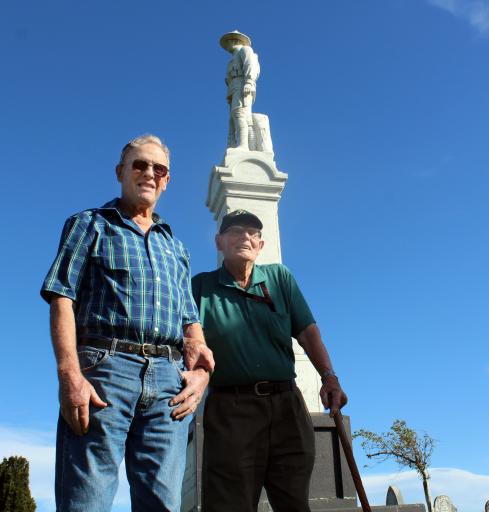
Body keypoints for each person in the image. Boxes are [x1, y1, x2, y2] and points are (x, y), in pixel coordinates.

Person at [41, 134, 214, 512]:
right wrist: (70, 374)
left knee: (163, 503)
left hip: (169, 383)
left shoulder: (176, 246)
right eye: (140, 165)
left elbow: (190, 321)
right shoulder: (89, 224)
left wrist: (200, 375)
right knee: (86, 500)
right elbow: (61, 297)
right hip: (104, 371)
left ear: (167, 180)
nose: (149, 173)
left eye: (159, 169)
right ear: (121, 172)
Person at [192, 209, 348, 512]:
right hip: (231, 410)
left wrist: (330, 377)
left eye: (252, 233)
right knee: (229, 505)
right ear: (218, 242)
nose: (245, 238)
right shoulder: (201, 287)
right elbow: (188, 340)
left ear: (261, 245)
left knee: (293, 502)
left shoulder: (280, 278)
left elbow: (308, 332)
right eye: (236, 231)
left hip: (286, 406)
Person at [220, 30, 260, 150]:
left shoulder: (245, 50)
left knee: (240, 114)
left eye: (228, 42)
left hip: (242, 85)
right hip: (234, 88)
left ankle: (244, 145)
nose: (227, 46)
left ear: (234, 41)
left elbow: (250, 65)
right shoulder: (232, 60)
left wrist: (249, 81)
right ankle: (234, 143)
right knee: (233, 118)